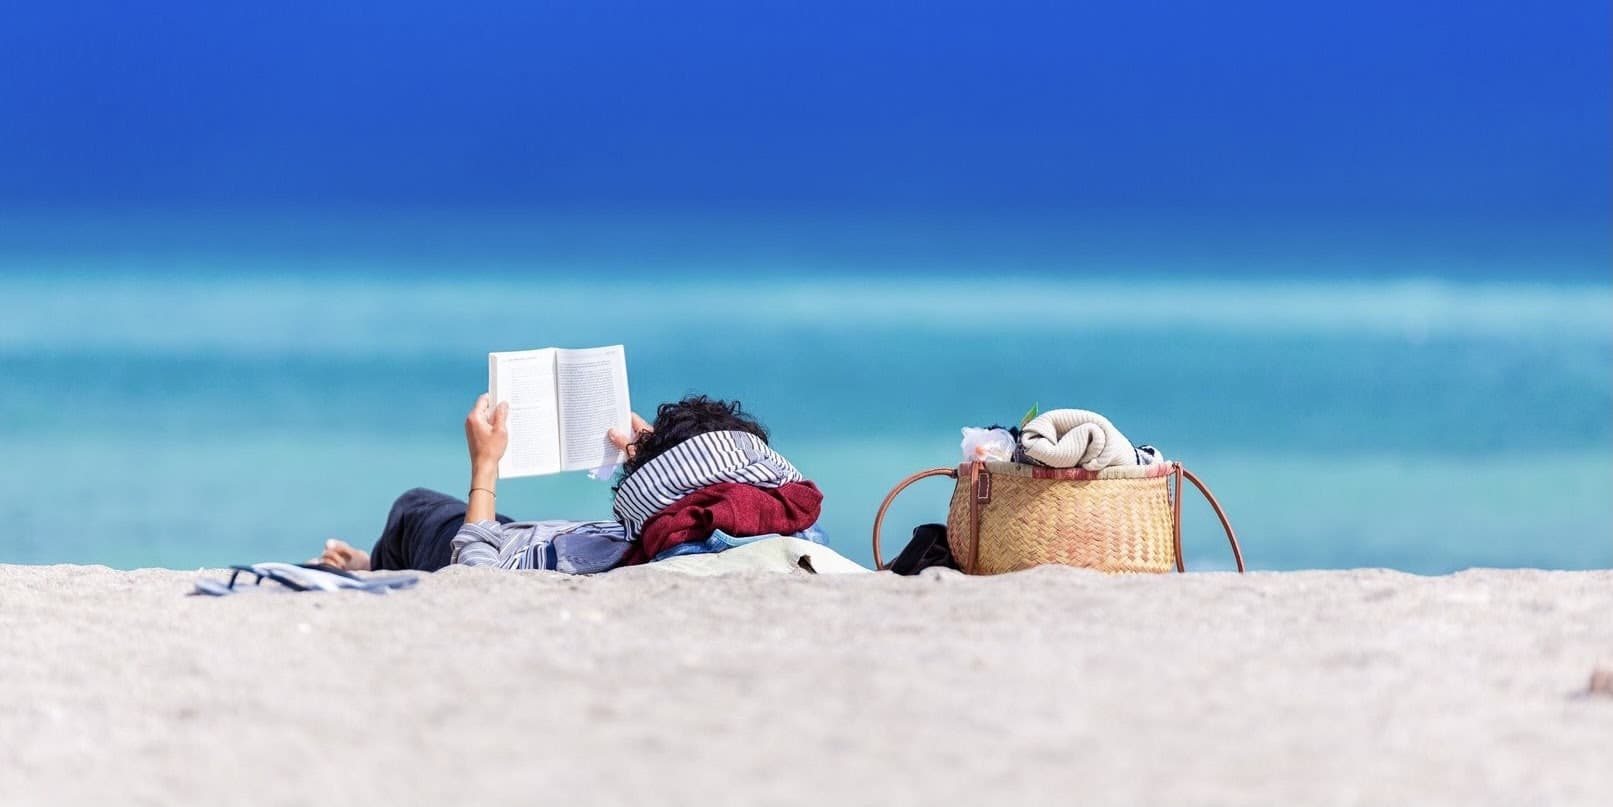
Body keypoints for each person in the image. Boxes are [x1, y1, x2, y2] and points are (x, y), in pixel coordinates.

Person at [317, 393, 824, 573]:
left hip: (510, 553)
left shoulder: (670, 543)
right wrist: (656, 454)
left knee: (415, 508)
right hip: (559, 540)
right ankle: (375, 561)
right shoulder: (776, 514)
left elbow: (474, 576)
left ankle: (374, 567)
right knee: (497, 524)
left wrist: (485, 465)